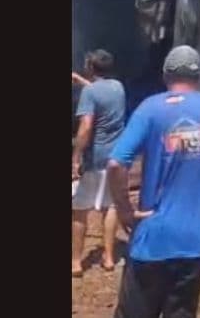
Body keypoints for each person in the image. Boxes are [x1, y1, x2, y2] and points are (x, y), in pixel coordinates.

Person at [107, 45, 200, 318]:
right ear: (198, 76)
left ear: (165, 75)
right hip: (196, 239)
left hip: (154, 238)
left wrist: (124, 211)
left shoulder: (150, 109)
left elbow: (116, 163)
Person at [72, 49, 127, 277]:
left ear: (91, 67)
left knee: (79, 209)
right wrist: (81, 81)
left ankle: (75, 262)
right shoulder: (118, 87)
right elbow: (100, 93)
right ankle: (108, 257)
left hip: (94, 158)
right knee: (110, 206)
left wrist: (75, 156)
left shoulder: (90, 94)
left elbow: (86, 127)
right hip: (115, 157)